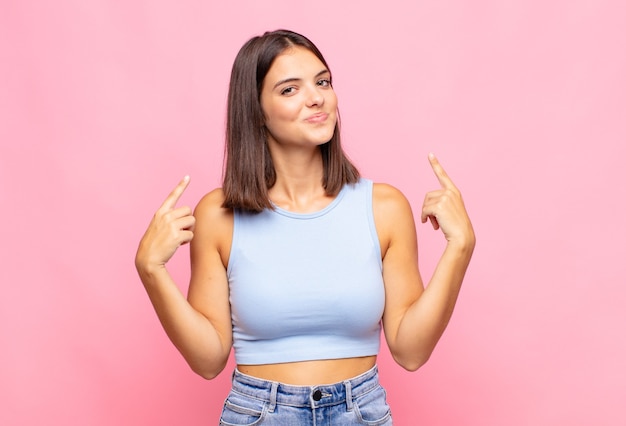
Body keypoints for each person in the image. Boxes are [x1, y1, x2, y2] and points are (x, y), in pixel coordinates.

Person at [135, 29, 475, 425]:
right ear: (256, 109)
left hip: (359, 412)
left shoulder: (384, 207)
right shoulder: (219, 214)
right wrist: (151, 269)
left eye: (322, 81)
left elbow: (411, 351)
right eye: (289, 89)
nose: (317, 97)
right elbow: (208, 360)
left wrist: (460, 246)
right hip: (258, 413)